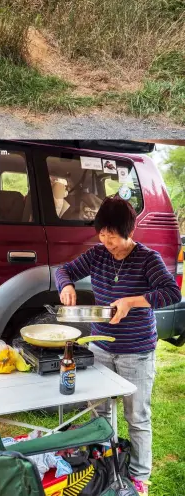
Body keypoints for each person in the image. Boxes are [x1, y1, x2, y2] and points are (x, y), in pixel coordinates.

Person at [55, 195, 181, 495]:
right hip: (100, 346)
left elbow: (171, 293)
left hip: (136, 350)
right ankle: (103, 464)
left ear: (130, 231)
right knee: (99, 412)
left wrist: (131, 302)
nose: (106, 240)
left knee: (136, 416)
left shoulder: (147, 259)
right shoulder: (97, 255)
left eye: (112, 235)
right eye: (102, 233)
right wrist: (67, 285)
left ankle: (139, 476)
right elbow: (64, 270)